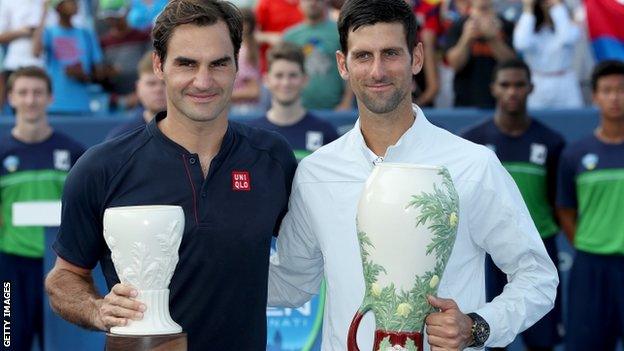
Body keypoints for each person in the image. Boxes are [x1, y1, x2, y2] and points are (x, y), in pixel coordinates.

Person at [267, 0, 558, 350]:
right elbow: (291, 282)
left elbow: (537, 276)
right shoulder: (316, 172)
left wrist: (478, 326)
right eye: (363, 56)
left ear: (416, 58)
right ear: (342, 65)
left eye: (390, 53)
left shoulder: (473, 165)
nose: (377, 71)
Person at [44, 1, 297, 350]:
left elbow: (312, 252)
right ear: (159, 65)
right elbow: (64, 277)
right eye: (187, 63)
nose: (203, 81)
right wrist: (97, 308)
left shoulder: (272, 158)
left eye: (219, 63)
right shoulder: (101, 168)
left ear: (238, 65)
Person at [461, 58, 564, 351]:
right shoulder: (472, 142)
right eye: (505, 85)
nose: (512, 92)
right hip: (488, 254)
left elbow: (558, 203)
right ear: (493, 88)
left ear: (531, 88)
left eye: (519, 85)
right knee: (487, 337)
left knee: (542, 341)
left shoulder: (551, 141)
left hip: (538, 249)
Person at [0, 66, 84, 351]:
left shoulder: (74, 152)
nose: (30, 100)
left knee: (61, 344)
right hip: (12, 268)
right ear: (11, 97)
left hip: (62, 268)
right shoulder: (2, 152)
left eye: (37, 93)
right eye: (22, 93)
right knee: (10, 342)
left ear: (50, 98)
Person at [557, 60, 624, 351]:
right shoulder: (576, 153)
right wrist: (590, 242)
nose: (615, 97)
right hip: (591, 267)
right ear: (594, 96)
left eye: (621, 90)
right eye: (607, 90)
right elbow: (565, 210)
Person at [247, 42, 338, 161]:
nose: (286, 83)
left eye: (293, 75)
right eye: (279, 76)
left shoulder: (325, 131)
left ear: (305, 79)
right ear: (267, 80)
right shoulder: (252, 133)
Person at [32, 0, 105, 115]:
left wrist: (82, 75)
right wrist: (43, 14)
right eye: (70, 1)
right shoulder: (49, 32)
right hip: (54, 106)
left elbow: (98, 72)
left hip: (82, 106)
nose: (75, 4)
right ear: (58, 7)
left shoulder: (87, 34)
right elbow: (35, 52)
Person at [283, 0, 353, 110]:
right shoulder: (290, 36)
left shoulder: (340, 31)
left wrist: (346, 102)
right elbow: (284, 73)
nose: (312, 3)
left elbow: (352, 68)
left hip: (335, 109)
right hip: (300, 109)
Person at [445, 0, 516, 108]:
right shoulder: (458, 25)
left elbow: (512, 66)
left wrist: (493, 38)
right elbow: (455, 64)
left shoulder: (507, 25)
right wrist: (466, 38)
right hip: (465, 101)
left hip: (501, 104)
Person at [513, 0, 583, 109]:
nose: (546, 4)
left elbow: (567, 38)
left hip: (564, 81)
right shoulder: (527, 25)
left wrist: (557, 6)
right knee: (537, 121)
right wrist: (528, 7)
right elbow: (522, 43)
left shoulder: (568, 23)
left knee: (572, 120)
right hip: (537, 82)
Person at [105, 51, 166, 140]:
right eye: (151, 84)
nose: (158, 89)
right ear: (138, 87)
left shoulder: (192, 134)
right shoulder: (121, 138)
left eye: (165, 83)